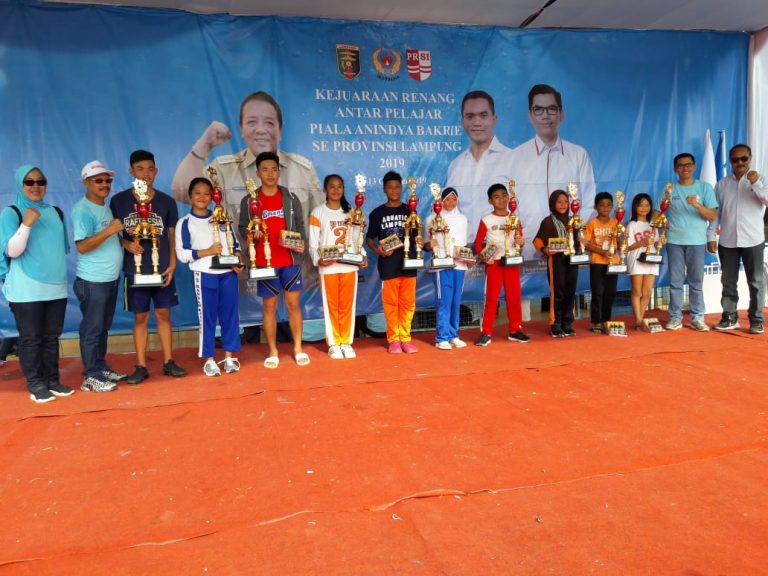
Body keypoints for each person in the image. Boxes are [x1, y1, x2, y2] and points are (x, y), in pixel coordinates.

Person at [171, 91, 324, 295]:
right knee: (261, 312)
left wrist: (323, 263)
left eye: (269, 123)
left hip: (295, 273)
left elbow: (319, 222)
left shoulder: (303, 169)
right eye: (252, 122)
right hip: (243, 280)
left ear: (280, 130)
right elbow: (181, 191)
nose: (260, 129)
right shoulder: (223, 168)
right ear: (241, 129)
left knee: (292, 311)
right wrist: (204, 143)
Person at [110, 150, 187, 383]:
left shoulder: (166, 201)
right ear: (131, 171)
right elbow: (112, 233)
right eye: (140, 169)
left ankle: (169, 362)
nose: (146, 174)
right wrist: (126, 244)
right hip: (135, 270)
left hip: (162, 268)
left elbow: (172, 235)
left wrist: (172, 263)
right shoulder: (119, 201)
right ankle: (141, 365)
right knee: (140, 317)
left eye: (150, 169)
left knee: (164, 314)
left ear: (156, 171)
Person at [0, 165, 73, 403]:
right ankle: (35, 383)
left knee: (51, 337)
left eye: (40, 181)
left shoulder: (55, 212)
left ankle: (52, 380)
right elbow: (12, 251)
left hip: (55, 286)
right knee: (31, 338)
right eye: (29, 182)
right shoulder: (11, 212)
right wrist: (27, 224)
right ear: (20, 184)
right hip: (26, 288)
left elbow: (58, 251)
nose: (35, 186)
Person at [508, 84, 596, 264]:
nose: (545, 115)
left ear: (561, 114)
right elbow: (511, 206)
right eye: (538, 109)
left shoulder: (578, 154)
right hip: (528, 248)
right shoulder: (515, 156)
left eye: (551, 109)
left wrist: (573, 235)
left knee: (566, 281)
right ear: (530, 115)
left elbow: (588, 201)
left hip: (569, 246)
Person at [237, 151, 309, 368]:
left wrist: (300, 243)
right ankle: (273, 351)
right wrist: (252, 233)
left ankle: (298, 348)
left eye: (274, 170)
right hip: (264, 263)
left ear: (279, 172)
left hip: (290, 261)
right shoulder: (249, 200)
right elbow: (242, 228)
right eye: (265, 170)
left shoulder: (291, 198)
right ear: (258, 173)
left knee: (293, 305)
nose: (270, 174)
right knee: (269, 307)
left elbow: (300, 226)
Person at [176, 177, 244, 376]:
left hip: (228, 274)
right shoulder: (185, 223)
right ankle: (209, 359)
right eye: (198, 193)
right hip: (204, 274)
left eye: (207, 194)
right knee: (207, 317)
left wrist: (238, 260)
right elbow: (182, 254)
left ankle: (229, 356)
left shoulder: (222, 218)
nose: (202, 197)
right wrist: (207, 251)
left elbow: (235, 246)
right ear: (190, 195)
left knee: (230, 315)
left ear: (213, 197)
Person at [71, 161, 126, 393]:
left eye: (108, 180)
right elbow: (82, 246)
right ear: (86, 182)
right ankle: (91, 377)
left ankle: (100, 367)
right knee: (92, 330)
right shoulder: (82, 210)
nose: (105, 184)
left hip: (109, 279)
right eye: (98, 180)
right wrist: (110, 230)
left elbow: (110, 238)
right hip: (93, 281)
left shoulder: (104, 206)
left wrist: (125, 243)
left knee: (102, 328)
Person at [707, 144, 768, 334]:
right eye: (735, 159)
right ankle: (729, 317)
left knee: (756, 282)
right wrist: (711, 235)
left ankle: (756, 320)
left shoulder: (761, 179)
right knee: (728, 282)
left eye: (744, 158)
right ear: (730, 161)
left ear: (750, 158)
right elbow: (716, 213)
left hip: (753, 240)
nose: (740, 163)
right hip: (728, 240)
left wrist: (755, 183)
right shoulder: (722, 184)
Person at [366, 171, 423, 353]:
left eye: (397, 187)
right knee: (391, 304)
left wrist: (420, 240)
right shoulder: (377, 213)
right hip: (388, 265)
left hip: (409, 263)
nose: (394, 190)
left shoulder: (410, 211)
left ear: (402, 188)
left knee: (408, 303)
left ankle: (405, 338)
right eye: (390, 187)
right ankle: (394, 340)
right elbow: (369, 238)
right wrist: (377, 250)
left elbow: (416, 235)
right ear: (384, 189)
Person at [308, 174, 364, 359]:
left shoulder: (351, 213)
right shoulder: (318, 213)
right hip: (328, 267)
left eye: (339, 186)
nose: (336, 190)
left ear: (344, 189)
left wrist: (362, 255)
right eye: (331, 186)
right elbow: (313, 244)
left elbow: (357, 238)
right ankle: (333, 343)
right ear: (325, 189)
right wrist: (318, 259)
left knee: (347, 306)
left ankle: (346, 342)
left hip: (349, 267)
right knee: (331, 306)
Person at [446, 91, 513, 240]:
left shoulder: (512, 159)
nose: (476, 122)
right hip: (465, 249)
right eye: (470, 116)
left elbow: (522, 212)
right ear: (463, 121)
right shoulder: (456, 165)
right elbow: (449, 211)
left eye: (483, 115)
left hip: (502, 247)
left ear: (494, 119)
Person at [664, 153, 718, 331]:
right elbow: (657, 212)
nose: (684, 168)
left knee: (696, 281)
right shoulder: (669, 188)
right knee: (675, 281)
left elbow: (712, 215)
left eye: (688, 165)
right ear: (675, 169)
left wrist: (697, 205)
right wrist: (658, 226)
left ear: (694, 167)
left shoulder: (704, 187)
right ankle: (675, 317)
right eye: (680, 165)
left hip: (697, 241)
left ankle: (698, 317)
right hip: (674, 241)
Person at [473, 183, 530, 346]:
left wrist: (521, 242)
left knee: (514, 297)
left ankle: (515, 330)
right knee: (491, 298)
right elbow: (478, 244)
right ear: (490, 201)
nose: (501, 199)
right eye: (496, 197)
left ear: (509, 198)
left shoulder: (515, 219)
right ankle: (486, 332)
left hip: (512, 261)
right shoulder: (486, 220)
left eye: (504, 195)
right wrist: (485, 257)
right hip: (494, 263)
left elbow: (519, 242)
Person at [423, 187, 469, 349]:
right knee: (444, 301)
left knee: (456, 301)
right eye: (447, 199)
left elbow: (463, 245)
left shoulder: (462, 219)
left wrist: (467, 257)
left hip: (459, 265)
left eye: (454, 199)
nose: (451, 202)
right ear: (441, 201)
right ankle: (441, 337)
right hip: (441, 265)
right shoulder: (431, 219)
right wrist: (429, 245)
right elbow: (426, 245)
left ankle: (453, 335)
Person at [533, 189, 578, 337]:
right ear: (552, 203)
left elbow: (580, 240)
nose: (563, 204)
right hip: (556, 260)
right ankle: (555, 323)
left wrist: (583, 242)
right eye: (559, 202)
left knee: (570, 290)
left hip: (572, 259)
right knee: (557, 291)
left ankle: (567, 323)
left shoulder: (574, 220)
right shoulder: (548, 221)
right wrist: (544, 249)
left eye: (566, 202)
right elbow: (537, 240)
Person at [625, 193, 663, 330]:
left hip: (651, 260)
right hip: (636, 259)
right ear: (635, 207)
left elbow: (656, 244)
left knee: (647, 293)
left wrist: (660, 242)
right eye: (641, 205)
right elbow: (627, 247)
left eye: (647, 205)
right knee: (637, 292)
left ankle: (639, 320)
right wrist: (643, 242)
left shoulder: (652, 225)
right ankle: (638, 320)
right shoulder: (631, 225)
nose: (644, 208)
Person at [583, 192, 619, 334]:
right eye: (602, 205)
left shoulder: (616, 222)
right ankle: (596, 321)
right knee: (597, 293)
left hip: (613, 263)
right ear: (595, 207)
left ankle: (606, 320)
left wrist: (618, 246)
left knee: (610, 293)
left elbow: (619, 243)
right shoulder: (592, 223)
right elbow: (585, 243)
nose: (605, 208)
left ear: (612, 206)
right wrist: (601, 251)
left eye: (608, 205)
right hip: (597, 262)